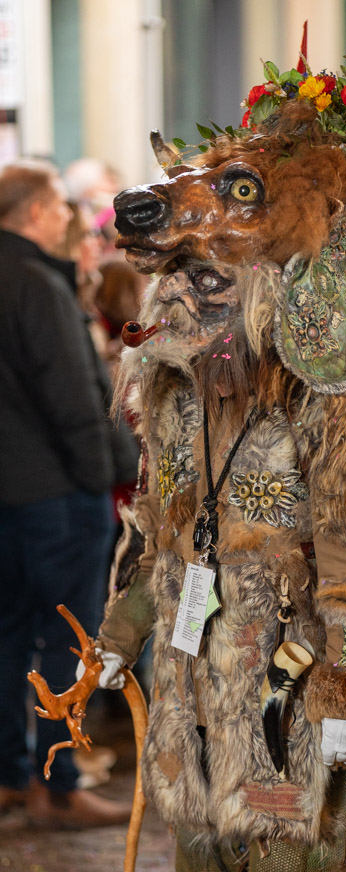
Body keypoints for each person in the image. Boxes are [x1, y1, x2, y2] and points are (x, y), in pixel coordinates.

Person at [76, 82, 346, 872]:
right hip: (192, 686)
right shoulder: (178, 401)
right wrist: (119, 633)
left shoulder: (330, 407)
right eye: (189, 281)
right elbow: (158, 531)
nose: (197, 295)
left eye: (217, 280)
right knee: (210, 858)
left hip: (284, 687)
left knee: (289, 868)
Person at [0, 161, 130, 827]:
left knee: (10, 637)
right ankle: (59, 783)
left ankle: (13, 780)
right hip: (56, 493)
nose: (63, 217)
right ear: (31, 214)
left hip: (12, 495)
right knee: (67, 642)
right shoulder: (34, 283)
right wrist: (101, 474)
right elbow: (71, 396)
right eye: (55, 206)